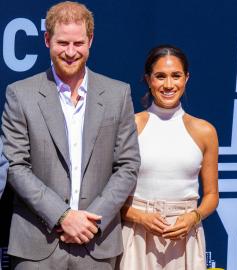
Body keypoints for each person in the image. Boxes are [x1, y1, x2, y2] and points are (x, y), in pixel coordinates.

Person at [1, 2, 140, 269]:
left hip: (96, 244)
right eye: (62, 43)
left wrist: (91, 221)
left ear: (90, 41)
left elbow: (128, 165)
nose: (70, 52)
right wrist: (62, 216)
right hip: (36, 245)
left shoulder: (117, 94)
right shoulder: (20, 94)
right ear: (47, 40)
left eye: (78, 43)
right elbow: (16, 166)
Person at [117, 45, 219, 270]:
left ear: (187, 78)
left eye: (176, 76)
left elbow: (211, 195)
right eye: (160, 76)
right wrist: (140, 217)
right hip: (137, 234)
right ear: (148, 79)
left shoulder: (205, 131)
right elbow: (109, 196)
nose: (169, 85)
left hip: (185, 237)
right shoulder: (130, 126)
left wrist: (194, 217)